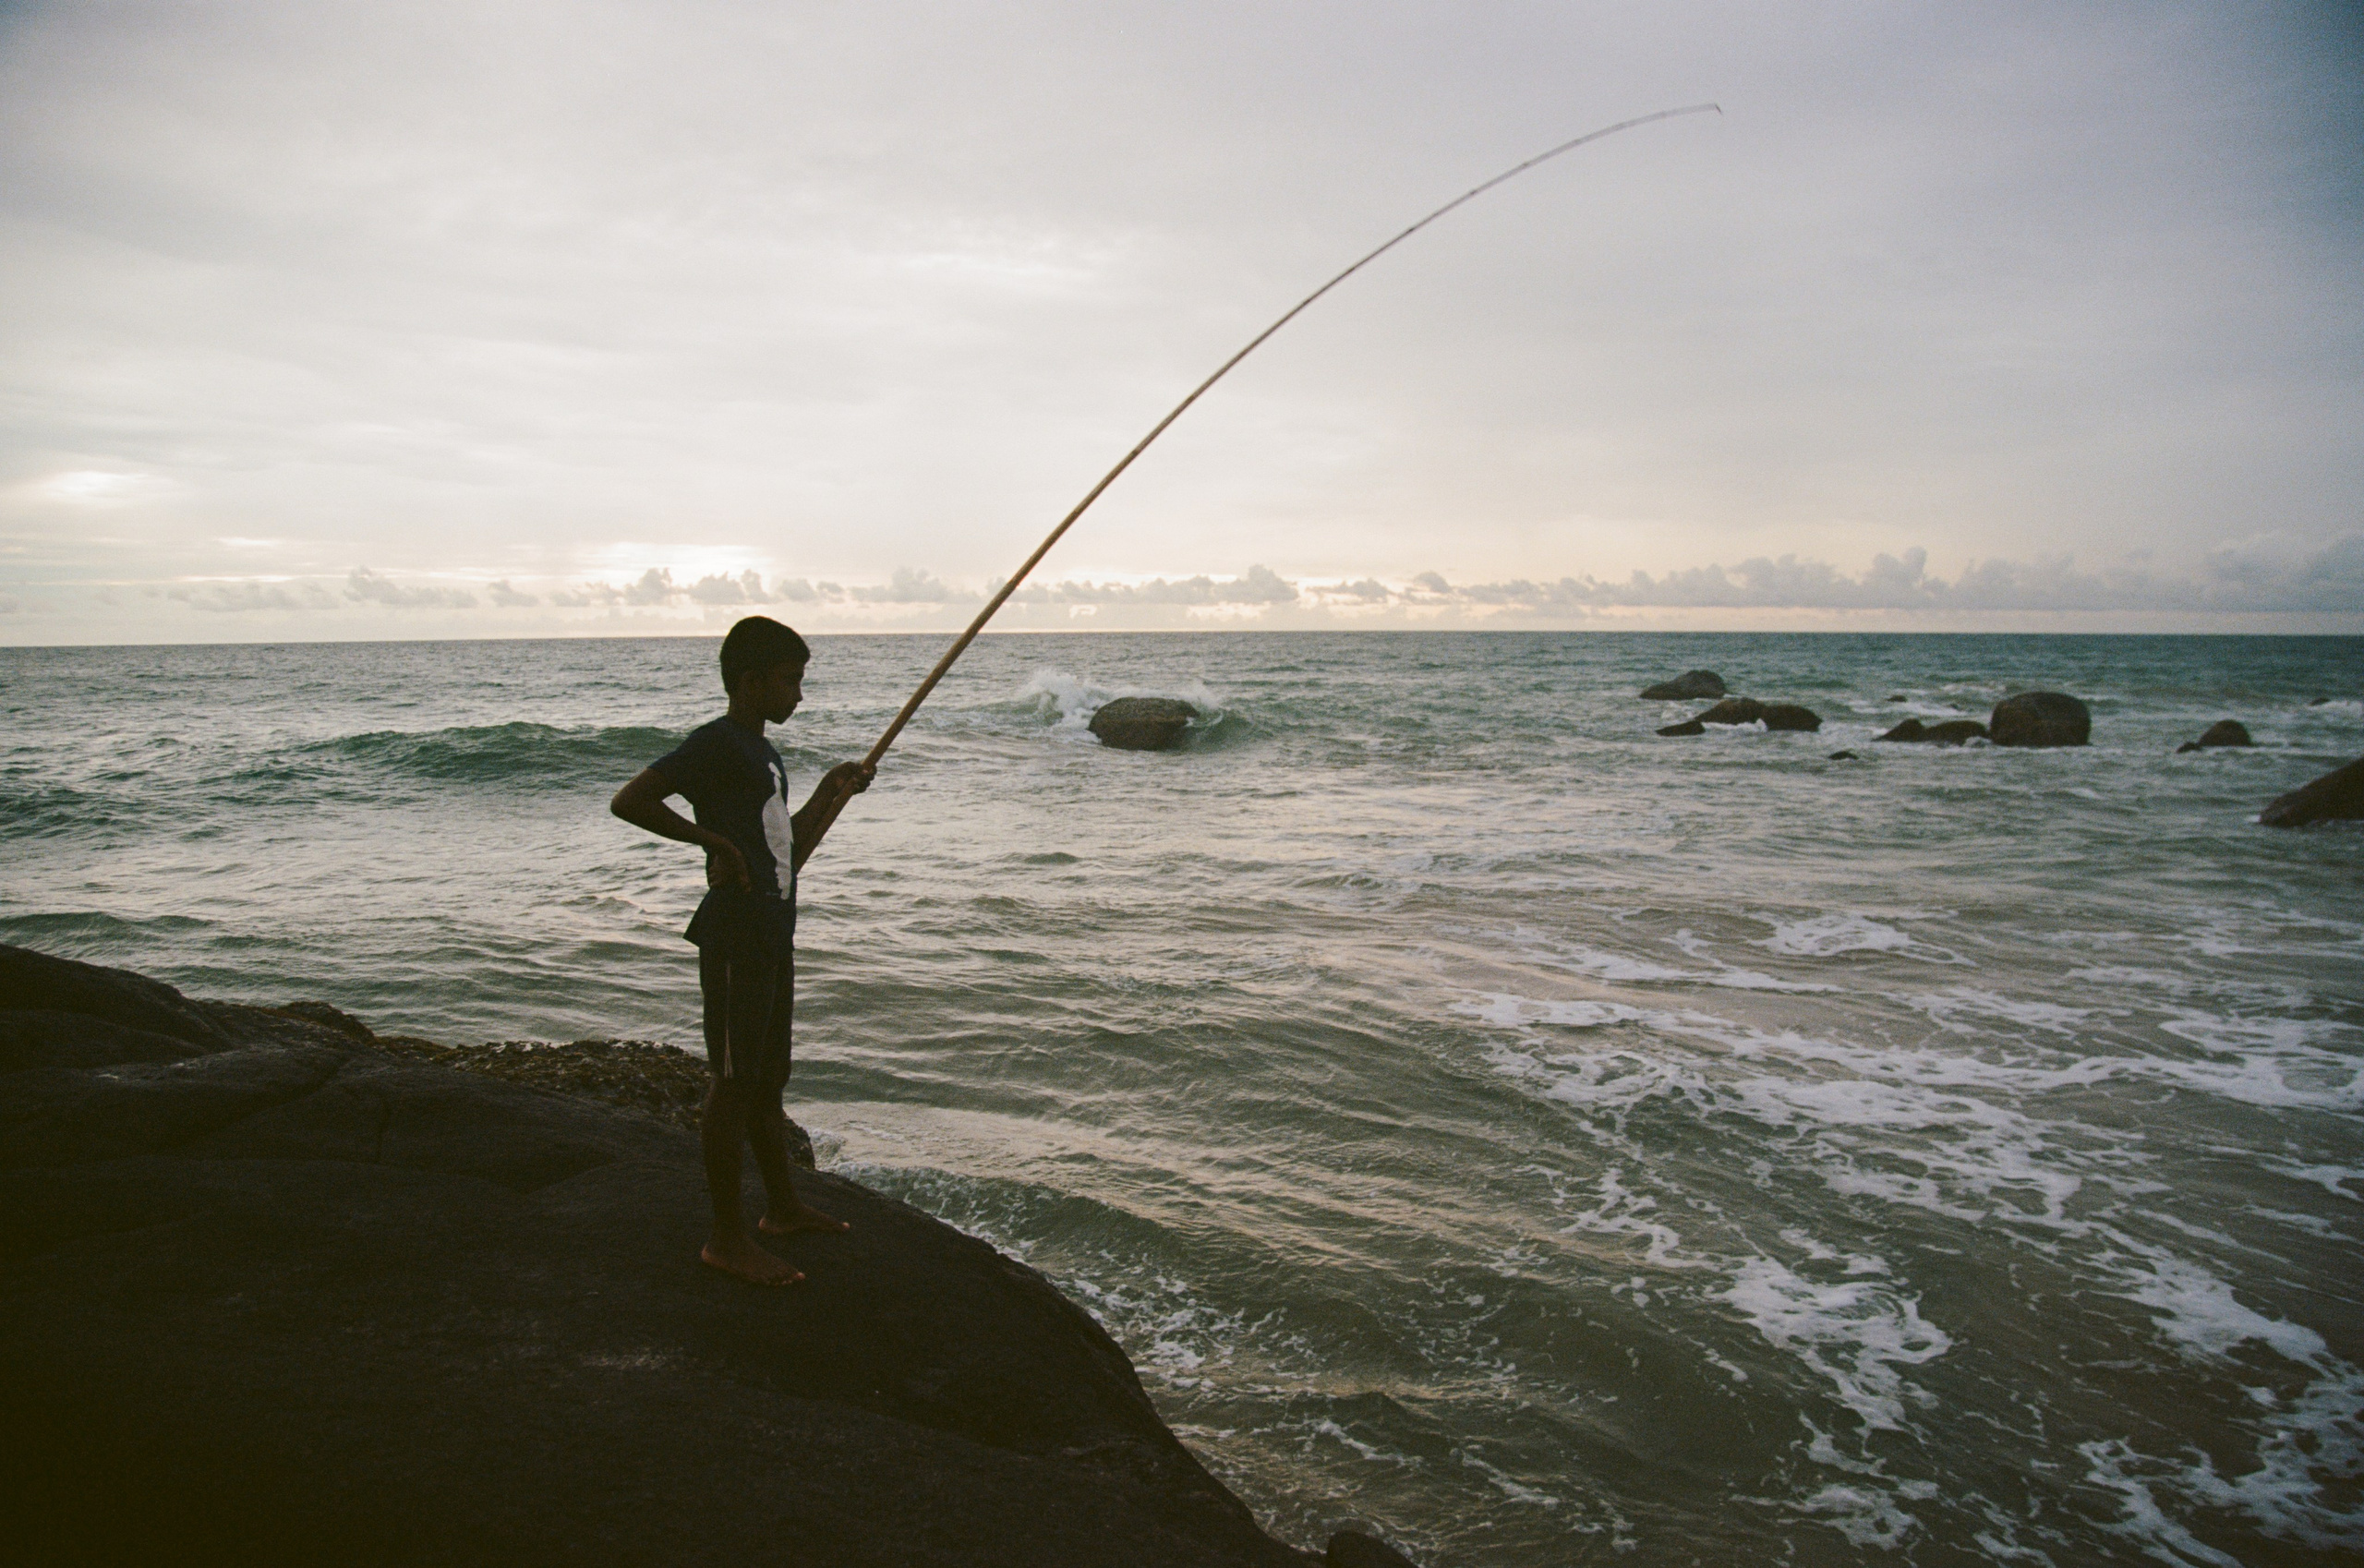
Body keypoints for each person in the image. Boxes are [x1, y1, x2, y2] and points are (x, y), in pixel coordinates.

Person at [609, 616, 874, 1285]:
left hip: (772, 931)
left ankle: (781, 1208)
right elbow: (631, 800)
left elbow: (790, 855)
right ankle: (727, 1238)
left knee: (767, 1079)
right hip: (733, 935)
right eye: (790, 682)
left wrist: (830, 793)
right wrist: (712, 844)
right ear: (750, 682)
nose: (800, 696)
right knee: (732, 1083)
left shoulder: (766, 755)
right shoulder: (718, 744)